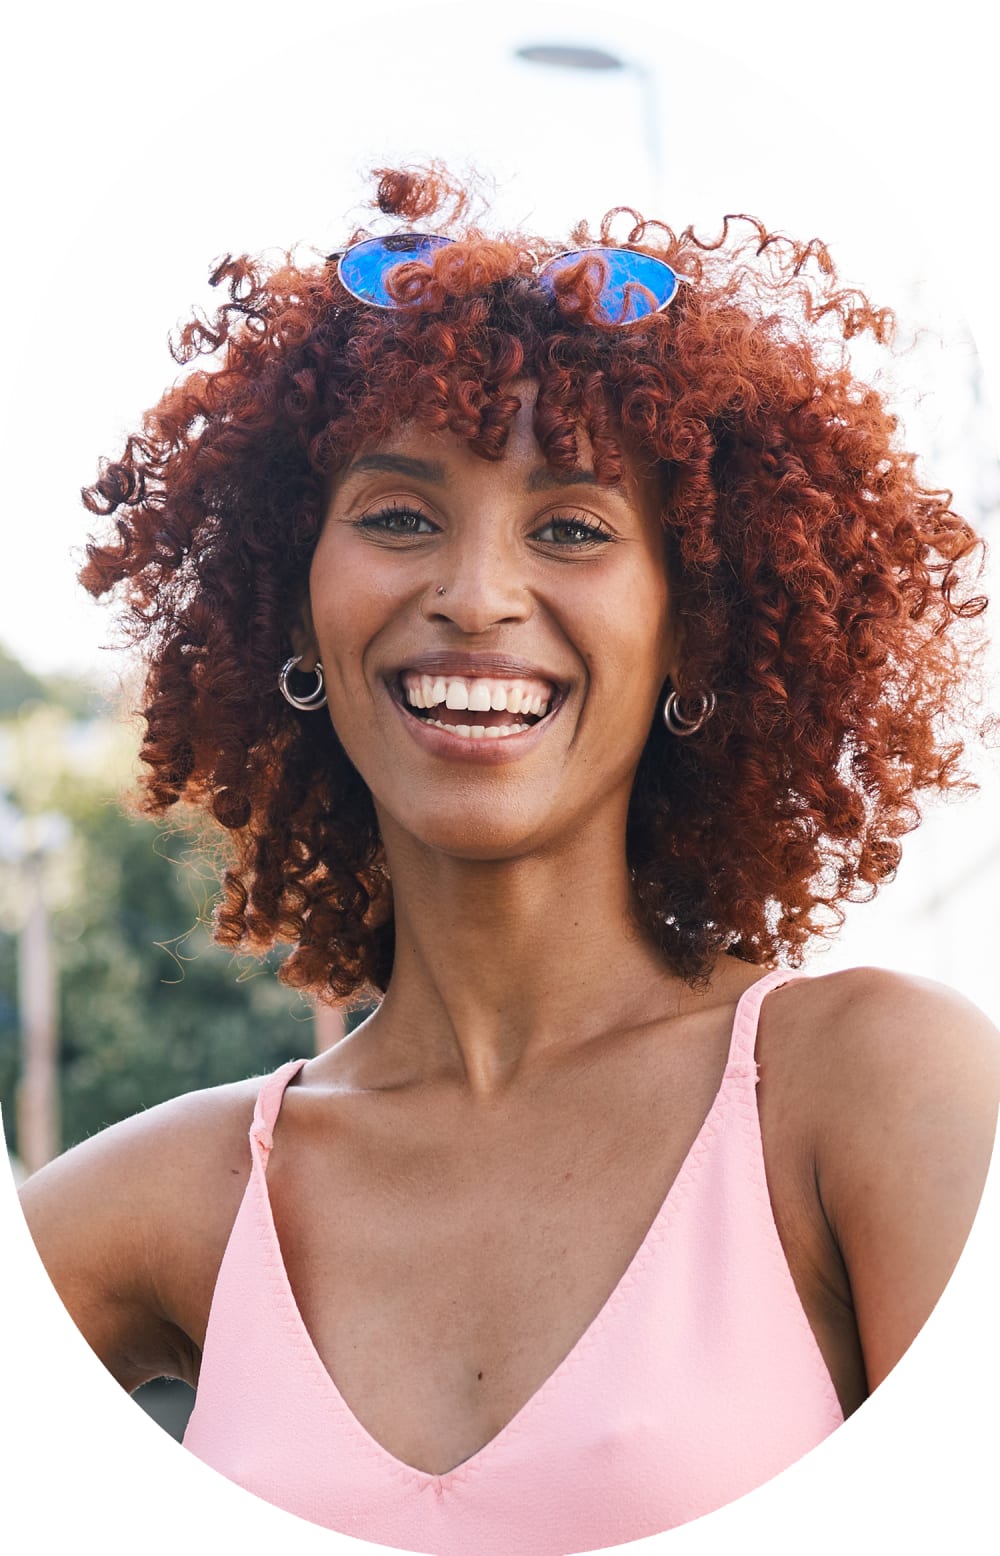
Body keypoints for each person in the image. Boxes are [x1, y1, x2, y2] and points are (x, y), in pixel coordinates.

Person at [17, 164, 1000, 1554]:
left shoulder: (873, 1090)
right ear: (291, 608)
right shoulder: (189, 1196)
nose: (476, 595)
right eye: (398, 516)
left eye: (574, 528)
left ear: (693, 627)